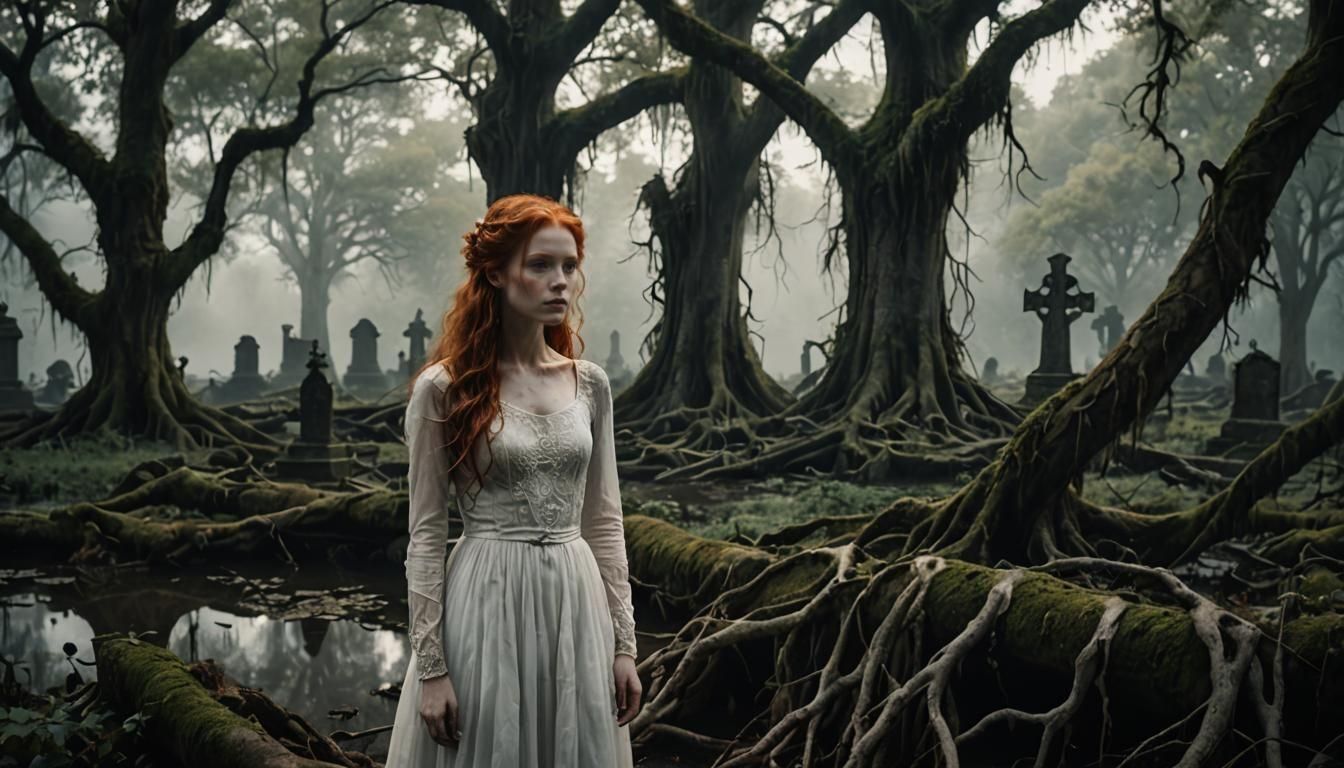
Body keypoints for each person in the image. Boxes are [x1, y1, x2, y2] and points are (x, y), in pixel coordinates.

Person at [385, 194, 640, 767]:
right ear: (497, 273)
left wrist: (624, 645)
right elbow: (426, 535)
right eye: (540, 265)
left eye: (569, 266)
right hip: (487, 598)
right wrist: (432, 669)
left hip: (576, 601)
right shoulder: (444, 389)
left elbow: (604, 521)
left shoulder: (590, 383)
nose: (560, 281)